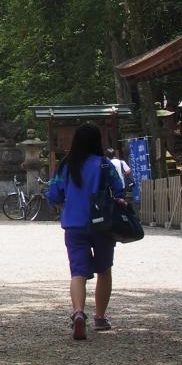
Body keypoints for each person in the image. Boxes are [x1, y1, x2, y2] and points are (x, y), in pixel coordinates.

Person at [47, 123, 125, 340]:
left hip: (74, 224)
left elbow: (53, 195)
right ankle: (100, 317)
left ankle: (79, 312)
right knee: (104, 270)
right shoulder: (104, 164)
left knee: (77, 273)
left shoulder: (65, 166)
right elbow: (119, 190)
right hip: (102, 225)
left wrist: (67, 203)